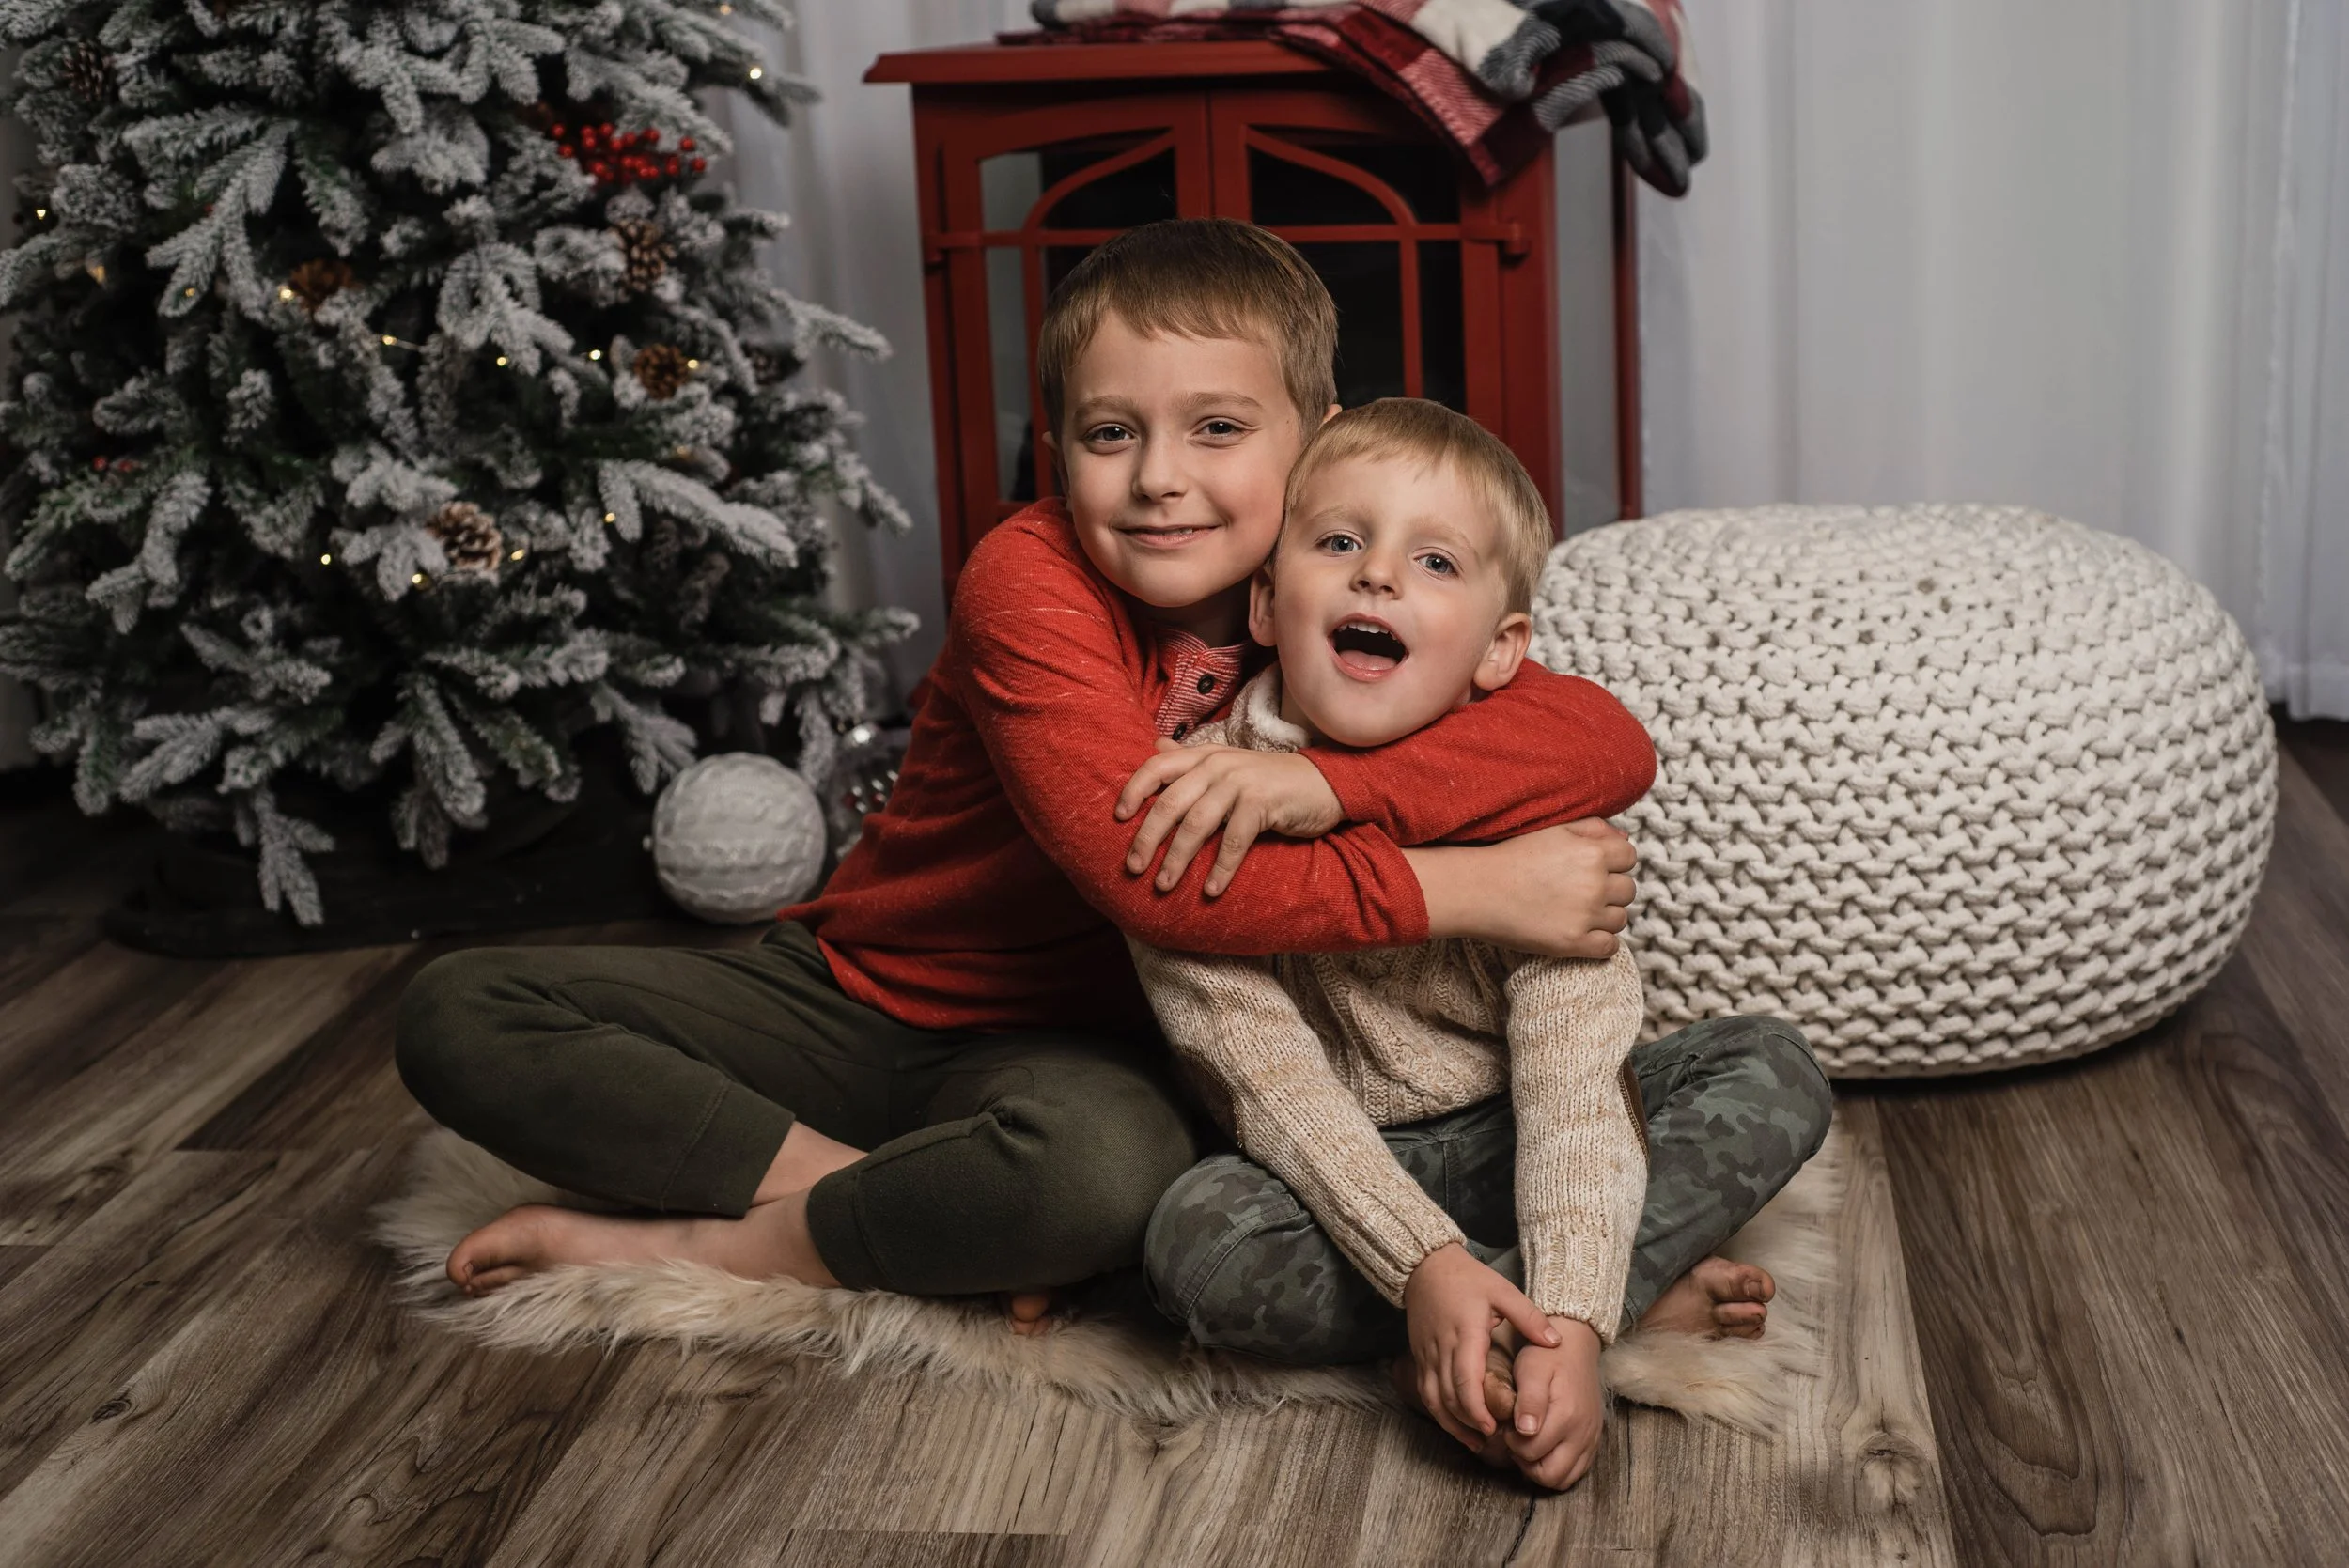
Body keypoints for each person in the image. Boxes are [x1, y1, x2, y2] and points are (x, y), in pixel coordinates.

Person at [394, 219, 1654, 1320]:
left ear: (1318, 440)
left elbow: (1600, 739)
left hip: (1080, 1052)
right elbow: (1153, 885)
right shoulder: (1030, 576)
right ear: (1058, 447)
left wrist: (1332, 786)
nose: (1161, 477)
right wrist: (1471, 891)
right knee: (459, 1012)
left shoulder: (1344, 604)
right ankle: (861, 1204)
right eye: (1113, 433)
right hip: (860, 994)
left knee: (1108, 1178)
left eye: (1217, 428)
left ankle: (722, 1233)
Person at [1130, 399, 1833, 1490]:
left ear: (1501, 651)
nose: (1376, 579)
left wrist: (1574, 1322)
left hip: (1519, 1121)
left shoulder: (1531, 795)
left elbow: (1572, 1078)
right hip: (1332, 1163)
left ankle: (1566, 1303)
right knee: (1194, 1246)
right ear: (1267, 600)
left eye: (1435, 561)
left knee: (1773, 1067)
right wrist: (1421, 1269)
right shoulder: (1194, 791)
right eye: (1339, 542)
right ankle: (1586, 1291)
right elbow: (1262, 1078)